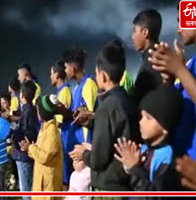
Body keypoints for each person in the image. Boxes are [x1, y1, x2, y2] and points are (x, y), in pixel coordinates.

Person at [148, 0, 196, 168]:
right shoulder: (191, 65)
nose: (178, 29)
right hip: (185, 176)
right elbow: (171, 114)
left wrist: (179, 70)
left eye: (182, 20)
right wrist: (169, 79)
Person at [69, 41, 136, 197]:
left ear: (103, 75)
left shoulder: (107, 106)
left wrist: (83, 153)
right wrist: (92, 121)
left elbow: (99, 159)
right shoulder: (127, 100)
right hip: (125, 182)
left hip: (109, 187)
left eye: (96, 72)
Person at [114, 84, 184, 197]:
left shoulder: (167, 159)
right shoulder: (144, 148)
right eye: (141, 116)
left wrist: (134, 168)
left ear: (164, 128)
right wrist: (126, 167)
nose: (141, 122)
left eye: (148, 118)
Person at [20, 94, 63, 199]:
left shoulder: (51, 131)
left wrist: (30, 148)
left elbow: (45, 156)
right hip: (42, 179)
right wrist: (30, 147)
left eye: (38, 110)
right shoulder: (45, 128)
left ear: (43, 113)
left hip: (48, 184)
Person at [63, 47, 98, 144]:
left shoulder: (89, 84)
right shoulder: (78, 87)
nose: (65, 71)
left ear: (73, 68)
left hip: (86, 143)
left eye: (66, 67)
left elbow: (87, 118)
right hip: (78, 142)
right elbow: (77, 114)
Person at [12, 81, 39, 200]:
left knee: (26, 189)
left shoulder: (27, 111)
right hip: (28, 154)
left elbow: (26, 132)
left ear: (21, 95)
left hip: (23, 155)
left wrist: (13, 134)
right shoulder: (32, 109)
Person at [50, 60, 74, 188]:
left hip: (65, 138)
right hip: (64, 137)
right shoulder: (62, 91)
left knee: (66, 177)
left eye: (51, 73)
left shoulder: (64, 92)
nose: (50, 77)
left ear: (57, 75)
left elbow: (59, 122)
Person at [131, 9, 163, 106]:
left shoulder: (150, 63)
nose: (132, 36)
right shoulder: (162, 56)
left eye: (134, 31)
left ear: (145, 32)